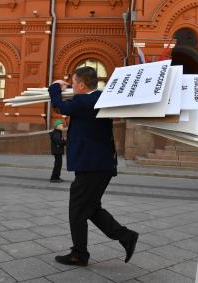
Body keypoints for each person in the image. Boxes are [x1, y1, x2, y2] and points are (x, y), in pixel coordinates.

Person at [48, 66, 138, 266]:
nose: (71, 86)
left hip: (92, 166)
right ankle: (126, 236)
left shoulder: (87, 100)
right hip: (98, 165)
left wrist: (54, 87)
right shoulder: (98, 99)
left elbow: (60, 107)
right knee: (91, 209)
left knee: (77, 210)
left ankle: (79, 254)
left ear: (80, 85)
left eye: (72, 83)